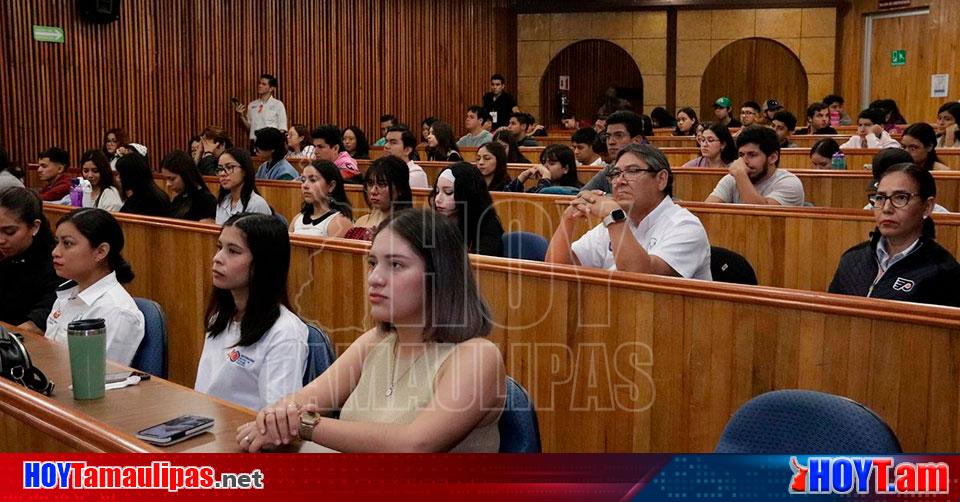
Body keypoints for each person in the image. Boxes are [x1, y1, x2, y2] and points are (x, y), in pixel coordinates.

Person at [236, 208, 504, 453]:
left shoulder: (478, 356)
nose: (374, 278)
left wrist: (303, 425)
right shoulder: (377, 341)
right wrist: (278, 417)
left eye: (395, 265)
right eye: (373, 263)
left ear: (440, 276)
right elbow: (301, 400)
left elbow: (415, 445)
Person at [194, 213, 308, 411]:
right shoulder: (220, 317)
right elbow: (204, 391)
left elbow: (275, 420)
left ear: (263, 263)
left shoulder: (285, 332)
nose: (217, 259)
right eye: (220, 248)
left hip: (248, 436)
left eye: (233, 251)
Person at [545, 144, 711, 279]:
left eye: (632, 171)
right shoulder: (616, 221)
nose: (619, 182)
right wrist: (568, 219)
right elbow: (556, 269)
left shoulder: (686, 226)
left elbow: (640, 281)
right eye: (616, 173)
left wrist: (614, 216)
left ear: (661, 179)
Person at [828, 164, 960, 307]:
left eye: (901, 198)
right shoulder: (852, 258)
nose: (886, 208)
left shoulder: (943, 272)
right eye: (880, 198)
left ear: (927, 207)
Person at [45, 208, 145, 365]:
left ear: (100, 252)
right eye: (57, 242)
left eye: (68, 243)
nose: (55, 252)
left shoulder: (116, 311)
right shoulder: (65, 296)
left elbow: (96, 379)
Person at [0, 187, 61, 331]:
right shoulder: (6, 257)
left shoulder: (56, 262)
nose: (1, 240)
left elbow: (42, 319)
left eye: (10, 232)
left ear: (34, 227)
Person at [705, 125, 805, 206]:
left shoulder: (789, 183)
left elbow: (761, 218)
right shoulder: (732, 179)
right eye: (741, 155)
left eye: (752, 155)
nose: (744, 161)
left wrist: (740, 175)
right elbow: (708, 210)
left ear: (773, 157)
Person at [431, 162, 505, 256]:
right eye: (437, 192)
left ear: (467, 194)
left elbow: (482, 265)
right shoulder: (435, 224)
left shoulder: (488, 227)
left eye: (448, 192)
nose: (438, 199)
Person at [863, 148, 950, 213]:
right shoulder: (870, 209)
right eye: (880, 196)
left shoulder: (939, 214)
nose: (886, 208)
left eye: (900, 197)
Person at [347, 156, 413, 240]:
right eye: (370, 184)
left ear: (400, 189)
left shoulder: (407, 227)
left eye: (382, 184)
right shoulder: (361, 221)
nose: (373, 191)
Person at [582, 110, 646, 192]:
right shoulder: (609, 170)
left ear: (636, 141)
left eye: (619, 135)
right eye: (608, 136)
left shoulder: (651, 170)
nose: (611, 142)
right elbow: (581, 197)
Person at [290, 161, 353, 238]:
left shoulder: (340, 222)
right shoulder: (297, 219)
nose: (305, 186)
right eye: (303, 180)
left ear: (331, 186)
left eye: (312, 180)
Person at [215, 147, 273, 224]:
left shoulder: (256, 204)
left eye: (229, 167)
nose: (222, 173)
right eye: (220, 169)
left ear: (244, 170)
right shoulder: (223, 201)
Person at [160, 150, 217, 223]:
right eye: (166, 179)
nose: (168, 184)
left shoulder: (207, 201)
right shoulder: (178, 198)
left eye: (172, 179)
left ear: (185, 175)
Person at [506, 144, 582, 194]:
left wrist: (545, 177)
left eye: (552, 163)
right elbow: (506, 195)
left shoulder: (573, 191)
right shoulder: (539, 187)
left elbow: (542, 196)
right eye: (543, 163)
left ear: (565, 168)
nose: (545, 167)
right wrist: (523, 176)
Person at [235, 74, 287, 144]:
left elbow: (282, 128)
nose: (260, 86)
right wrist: (241, 116)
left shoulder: (278, 104)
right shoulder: (252, 105)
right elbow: (250, 128)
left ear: (271, 88)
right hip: (255, 142)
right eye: (259, 83)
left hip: (271, 142)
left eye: (264, 84)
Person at [115, 152, 171, 217]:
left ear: (130, 176)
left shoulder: (149, 202)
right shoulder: (138, 197)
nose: (118, 179)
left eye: (120, 175)